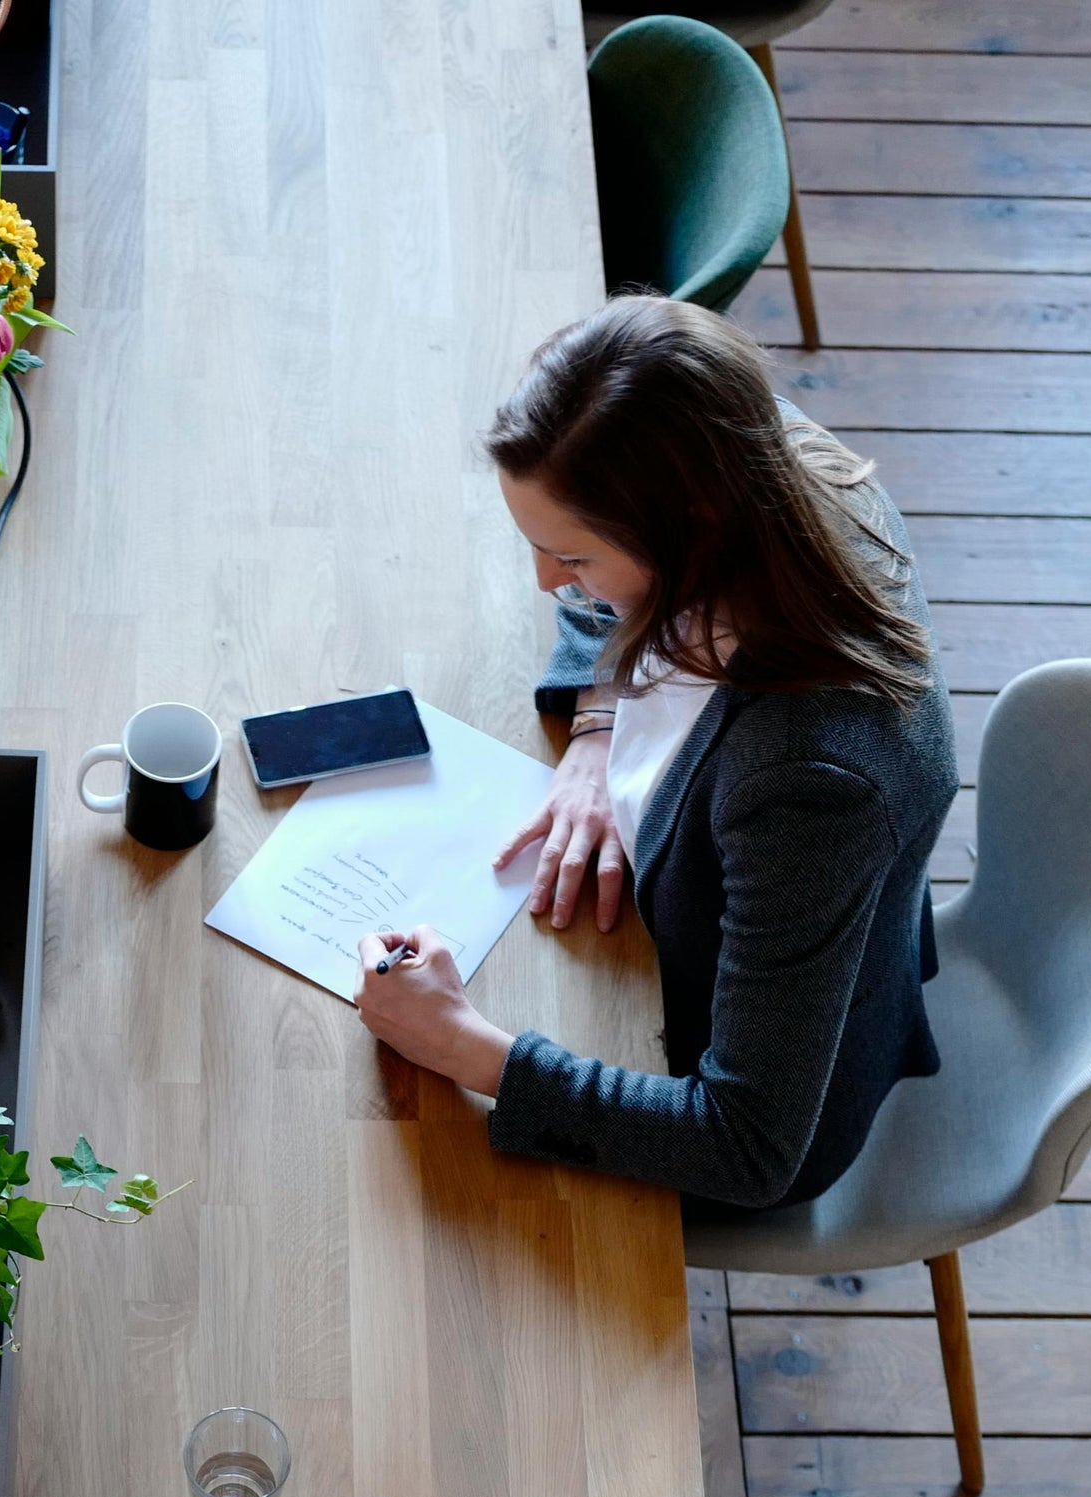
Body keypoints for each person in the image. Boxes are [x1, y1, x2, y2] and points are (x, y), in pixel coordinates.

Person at [352, 296, 957, 1215]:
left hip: (738, 1092)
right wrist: (599, 729)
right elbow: (602, 600)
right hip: (685, 937)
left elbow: (748, 1146)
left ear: (694, 527)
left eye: (573, 557)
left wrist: (465, 1045)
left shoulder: (810, 784)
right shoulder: (748, 454)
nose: (548, 583)